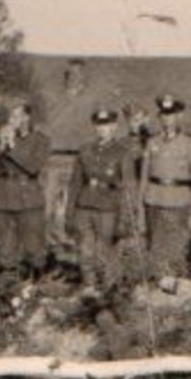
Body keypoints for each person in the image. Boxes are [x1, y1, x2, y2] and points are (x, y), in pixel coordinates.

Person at [139, 94, 191, 286]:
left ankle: (177, 292)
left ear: (179, 117)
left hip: (179, 202)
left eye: (171, 115)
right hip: (154, 199)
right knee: (156, 249)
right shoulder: (152, 143)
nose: (167, 119)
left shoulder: (190, 144)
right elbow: (144, 177)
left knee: (177, 249)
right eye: (163, 115)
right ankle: (161, 290)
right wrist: (140, 205)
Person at [67, 107, 136, 287]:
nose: (101, 128)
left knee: (105, 252)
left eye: (106, 125)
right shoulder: (85, 150)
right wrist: (69, 212)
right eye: (98, 125)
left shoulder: (122, 152)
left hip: (108, 208)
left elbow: (129, 187)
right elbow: (75, 183)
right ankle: (89, 288)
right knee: (85, 251)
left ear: (114, 127)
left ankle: (108, 291)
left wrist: (126, 218)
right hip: (84, 205)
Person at [0, 100, 52, 282]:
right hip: (3, 198)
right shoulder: (3, 139)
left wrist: (12, 148)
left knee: (34, 249)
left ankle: (38, 288)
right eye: (10, 116)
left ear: (27, 118)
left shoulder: (41, 141)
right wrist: (0, 147)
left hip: (29, 200)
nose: (12, 120)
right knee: (5, 249)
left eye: (16, 115)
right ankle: (8, 290)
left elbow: (33, 167)